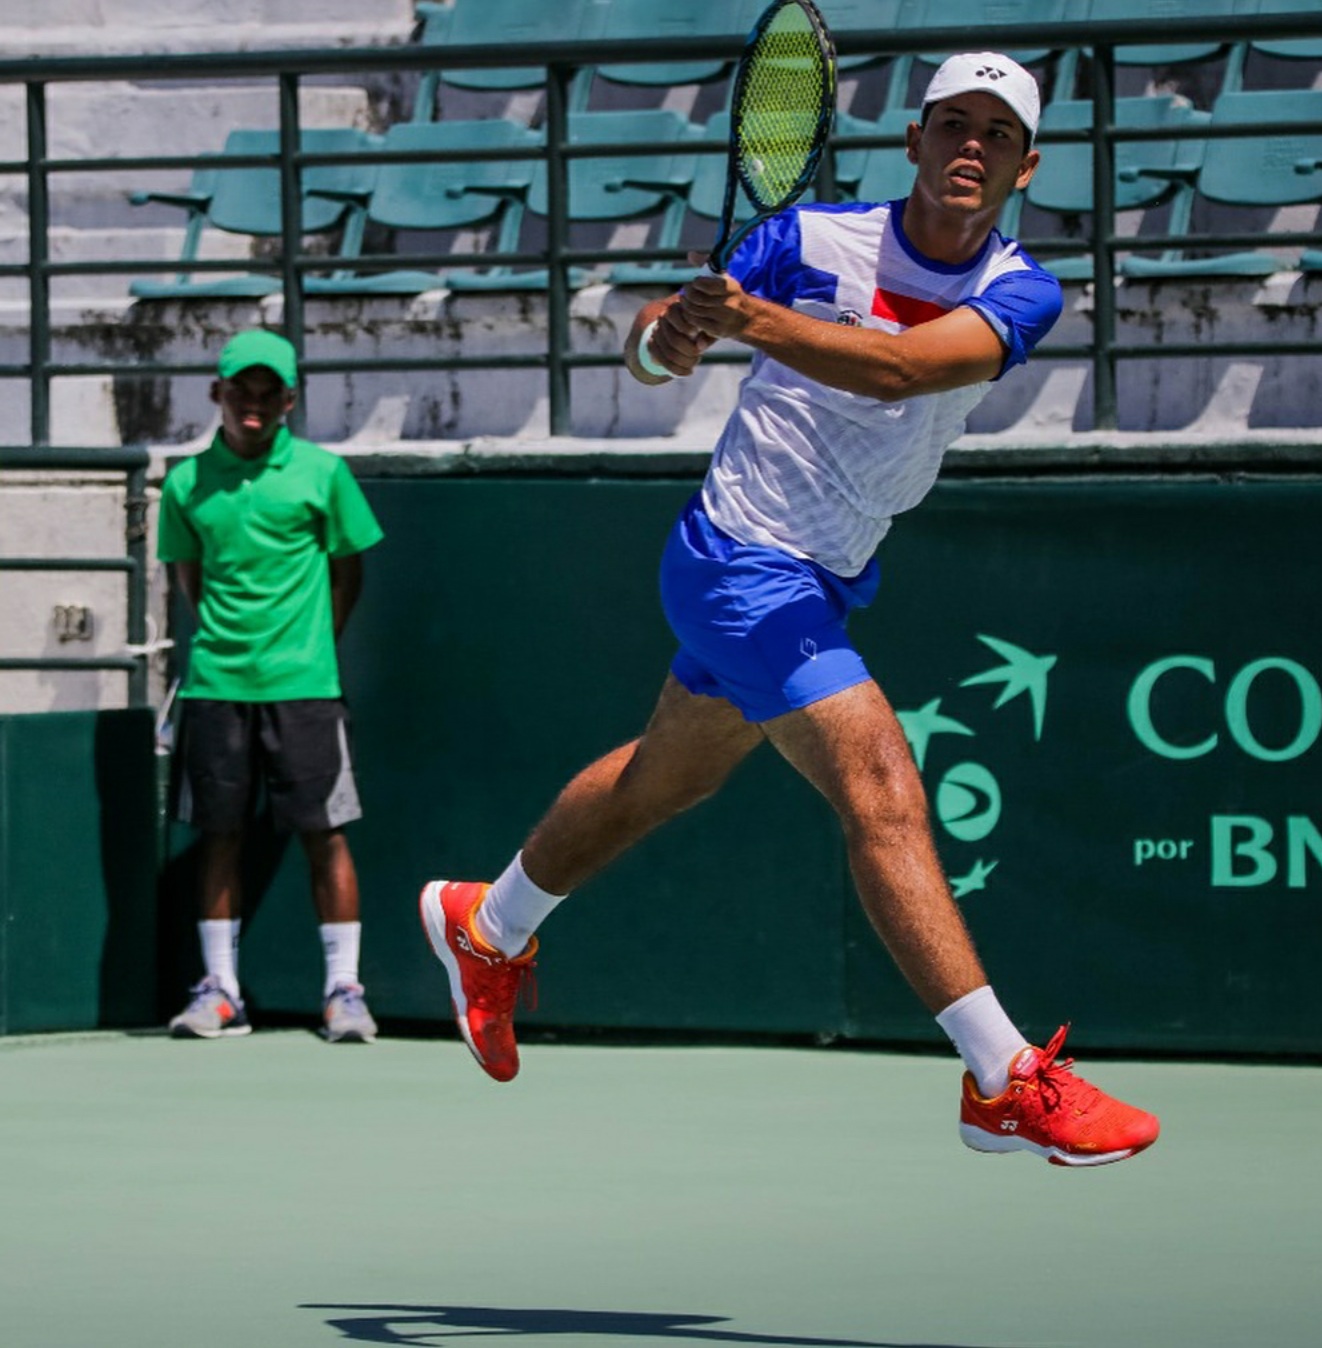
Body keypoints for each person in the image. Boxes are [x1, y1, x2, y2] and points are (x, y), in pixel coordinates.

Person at [420, 54, 1160, 1165]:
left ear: (1025, 165)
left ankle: (490, 922)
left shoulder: (1023, 286)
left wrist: (749, 324)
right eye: (951, 124)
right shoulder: (809, 239)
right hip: (738, 554)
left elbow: (907, 370)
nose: (971, 148)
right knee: (881, 784)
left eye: (995, 135)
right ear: (912, 139)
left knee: (661, 781)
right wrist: (665, 342)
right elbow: (659, 340)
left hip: (828, 570)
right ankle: (1003, 1077)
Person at [158, 329, 385, 1044]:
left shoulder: (323, 473)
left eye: (268, 394)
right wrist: (233, 646)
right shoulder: (183, 483)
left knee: (326, 836)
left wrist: (310, 646)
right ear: (216, 394)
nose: (253, 406)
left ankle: (343, 991)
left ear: (288, 400)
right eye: (240, 391)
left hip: (305, 687)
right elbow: (188, 581)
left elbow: (349, 573)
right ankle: (220, 990)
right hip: (215, 686)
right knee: (219, 836)